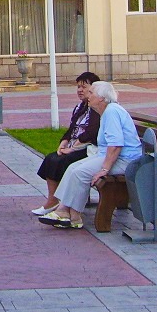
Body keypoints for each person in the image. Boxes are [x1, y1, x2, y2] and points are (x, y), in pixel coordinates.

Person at [38, 80, 142, 230]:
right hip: (111, 156)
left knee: (80, 173)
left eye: (91, 92)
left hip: (125, 160)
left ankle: (68, 213)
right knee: (72, 168)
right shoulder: (106, 111)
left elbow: (116, 145)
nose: (88, 95)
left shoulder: (111, 112)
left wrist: (104, 170)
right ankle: (68, 213)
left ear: (101, 98)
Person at [31, 71, 101, 216]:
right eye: (78, 87)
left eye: (84, 87)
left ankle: (63, 204)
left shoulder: (96, 108)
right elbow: (71, 129)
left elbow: (92, 133)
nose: (80, 90)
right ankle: (53, 200)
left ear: (94, 89)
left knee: (62, 162)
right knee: (51, 158)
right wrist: (63, 142)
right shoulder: (81, 107)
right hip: (75, 146)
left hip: (90, 149)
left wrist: (72, 148)